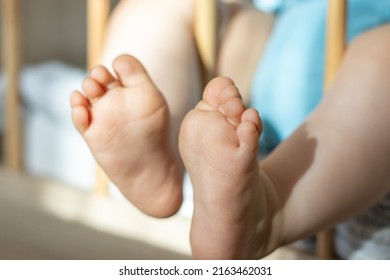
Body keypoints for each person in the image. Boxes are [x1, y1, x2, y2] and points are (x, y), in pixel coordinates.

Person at [70, 0, 390, 259]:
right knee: (165, 6)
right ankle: (161, 151)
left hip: (364, 90)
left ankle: (268, 211)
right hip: (276, 40)